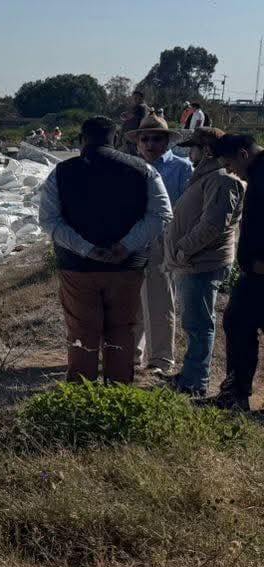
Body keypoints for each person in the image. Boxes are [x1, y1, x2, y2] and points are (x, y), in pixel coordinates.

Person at [37, 116, 172, 383]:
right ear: (117, 140)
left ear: (80, 141)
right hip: (127, 267)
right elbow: (161, 214)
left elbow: (49, 220)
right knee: (121, 329)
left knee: (82, 330)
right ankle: (118, 390)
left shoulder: (61, 172)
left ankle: (81, 390)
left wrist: (86, 249)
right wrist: (126, 246)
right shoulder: (144, 170)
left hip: (78, 268)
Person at [165, 128, 243, 395]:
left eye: (194, 148)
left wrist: (183, 249)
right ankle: (190, 374)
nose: (190, 153)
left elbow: (213, 225)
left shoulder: (222, 179)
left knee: (199, 325)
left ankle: (196, 383)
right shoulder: (208, 176)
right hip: (194, 261)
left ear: (207, 150)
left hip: (202, 262)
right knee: (194, 323)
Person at [133, 115, 193, 376]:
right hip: (133, 242)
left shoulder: (181, 168)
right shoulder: (133, 167)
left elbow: (187, 209)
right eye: (144, 139)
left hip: (163, 241)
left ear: (167, 141)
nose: (150, 144)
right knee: (132, 301)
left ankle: (160, 359)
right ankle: (132, 354)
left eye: (156, 139)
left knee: (159, 301)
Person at [219, 133, 264, 407]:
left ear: (243, 154)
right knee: (237, 323)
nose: (231, 171)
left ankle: (236, 395)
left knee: (238, 323)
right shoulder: (257, 174)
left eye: (230, 164)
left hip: (261, 273)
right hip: (254, 273)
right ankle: (235, 395)